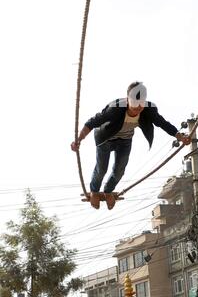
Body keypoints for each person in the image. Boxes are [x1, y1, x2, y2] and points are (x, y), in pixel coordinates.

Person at [71, 82, 191, 210]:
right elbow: (91, 123)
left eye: (141, 105)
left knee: (119, 170)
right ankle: (94, 191)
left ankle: (108, 191)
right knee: (102, 168)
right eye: (134, 105)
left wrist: (180, 136)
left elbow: (163, 123)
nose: (137, 109)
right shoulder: (115, 108)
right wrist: (79, 139)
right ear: (128, 100)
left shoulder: (149, 109)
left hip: (125, 140)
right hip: (105, 138)